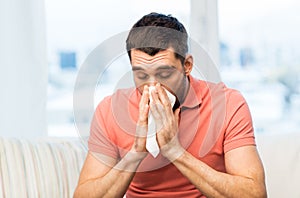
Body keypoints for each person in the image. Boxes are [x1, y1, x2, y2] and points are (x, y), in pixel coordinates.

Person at [74, 13, 267, 198]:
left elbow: (254, 194)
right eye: (141, 76)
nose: (152, 87)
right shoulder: (110, 110)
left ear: (187, 65)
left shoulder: (228, 104)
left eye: (164, 74)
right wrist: (134, 155)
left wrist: (175, 152)